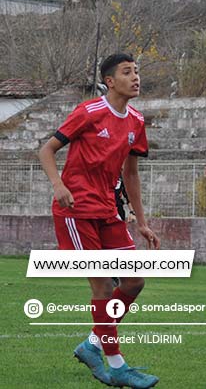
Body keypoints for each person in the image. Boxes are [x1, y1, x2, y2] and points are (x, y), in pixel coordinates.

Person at [38, 53, 161, 389]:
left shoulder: (136, 120)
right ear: (110, 81)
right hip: (76, 211)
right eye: (127, 72)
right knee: (104, 287)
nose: (135, 77)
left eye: (137, 71)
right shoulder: (89, 112)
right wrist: (59, 185)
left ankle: (93, 344)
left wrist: (141, 221)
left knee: (134, 281)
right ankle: (117, 365)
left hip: (108, 210)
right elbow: (46, 150)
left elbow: (131, 174)